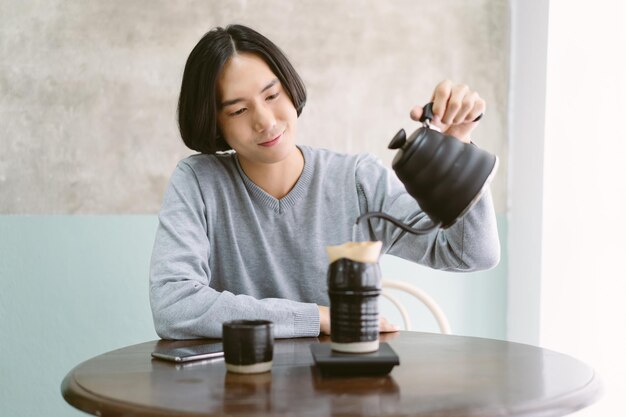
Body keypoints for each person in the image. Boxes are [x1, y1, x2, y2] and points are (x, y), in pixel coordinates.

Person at [149, 24, 500, 340]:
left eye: (272, 96)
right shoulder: (198, 182)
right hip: (240, 398)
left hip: (347, 396)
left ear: (289, 89)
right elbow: (173, 306)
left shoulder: (357, 179)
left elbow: (472, 254)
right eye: (239, 110)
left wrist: (461, 155)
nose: (265, 121)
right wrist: (319, 318)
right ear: (215, 123)